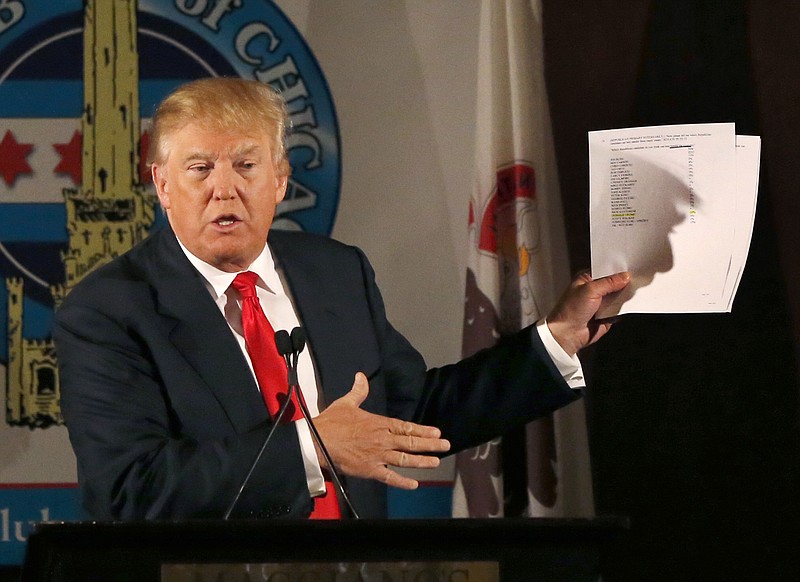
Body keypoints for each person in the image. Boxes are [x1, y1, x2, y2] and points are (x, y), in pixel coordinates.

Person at [53, 77, 630, 521]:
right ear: (161, 185)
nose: (223, 188)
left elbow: (410, 416)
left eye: (246, 166)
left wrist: (554, 340)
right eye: (199, 168)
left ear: (279, 179)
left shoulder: (334, 272)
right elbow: (129, 488)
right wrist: (314, 448)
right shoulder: (107, 311)